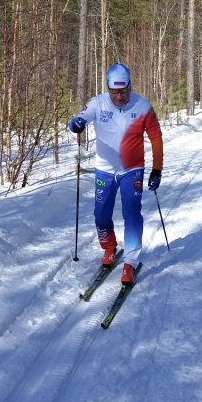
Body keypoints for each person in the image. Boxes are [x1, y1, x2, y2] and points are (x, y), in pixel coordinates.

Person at [70, 63, 163, 284]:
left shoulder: (143, 106)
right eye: (114, 91)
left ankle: (130, 262)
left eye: (123, 91)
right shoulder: (98, 103)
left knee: (132, 213)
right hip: (104, 169)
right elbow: (83, 115)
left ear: (130, 86)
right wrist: (78, 122)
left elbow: (156, 137)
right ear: (108, 88)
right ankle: (109, 248)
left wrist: (157, 168)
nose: (119, 96)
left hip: (132, 170)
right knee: (101, 215)